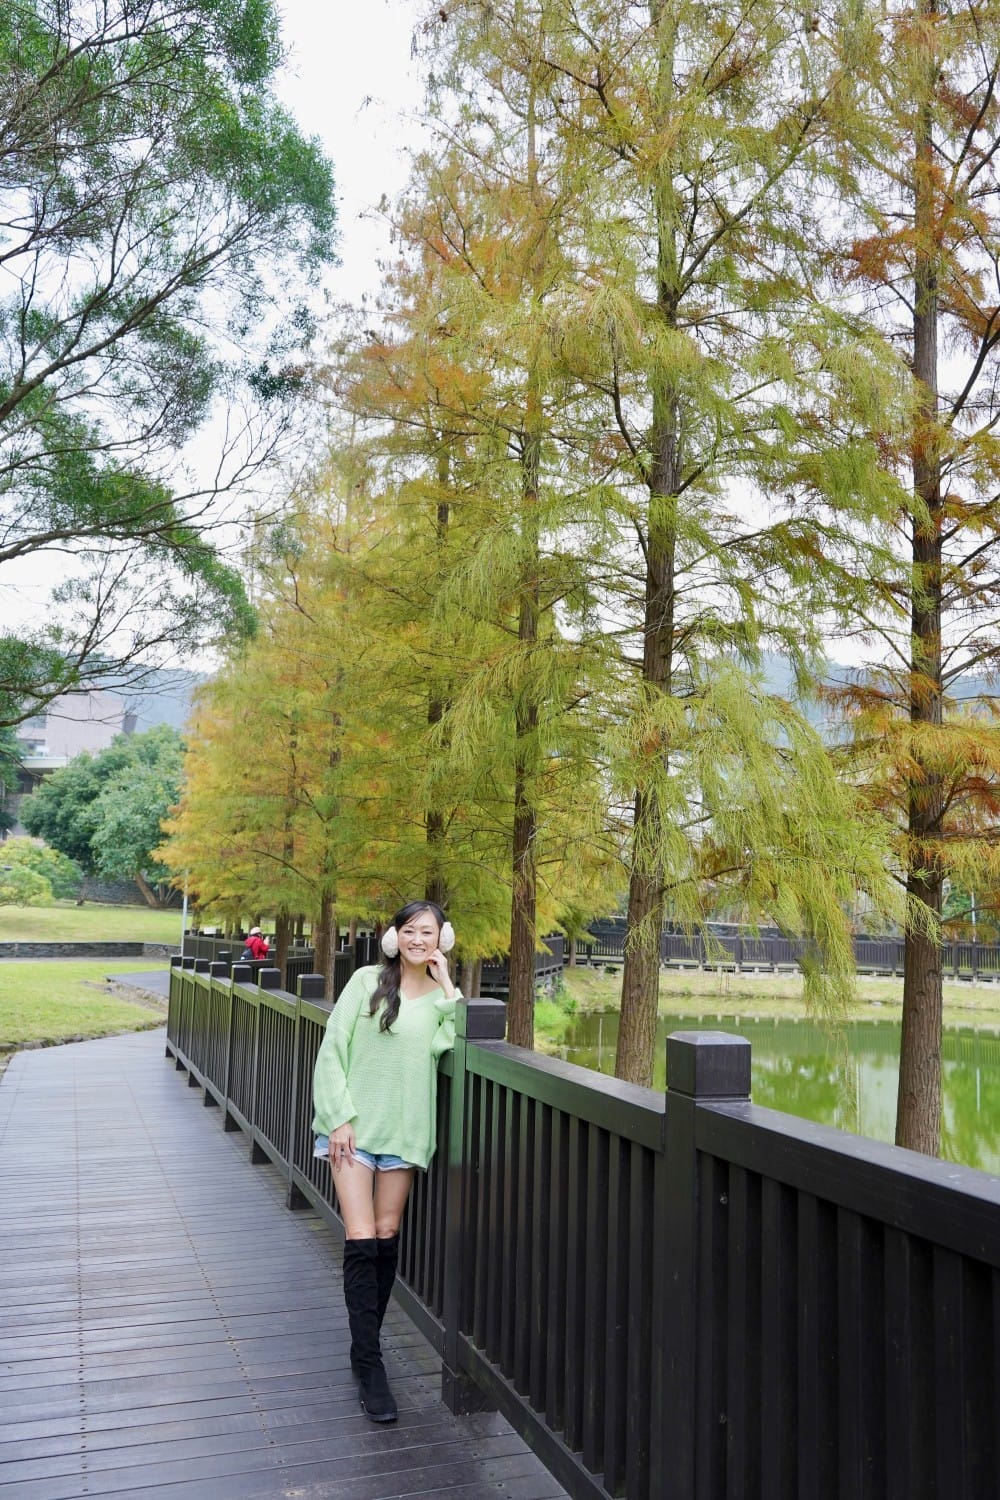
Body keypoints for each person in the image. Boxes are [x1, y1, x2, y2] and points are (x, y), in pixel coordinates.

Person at [311, 900, 458, 1424]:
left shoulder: (440, 1000)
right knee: (361, 1236)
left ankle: (362, 1345)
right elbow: (333, 1048)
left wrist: (447, 986)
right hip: (354, 1129)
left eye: (430, 932)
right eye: (411, 930)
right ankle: (371, 1368)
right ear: (395, 936)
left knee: (388, 1233)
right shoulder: (367, 981)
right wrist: (338, 1117)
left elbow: (449, 1042)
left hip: (405, 1133)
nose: (419, 939)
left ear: (443, 940)